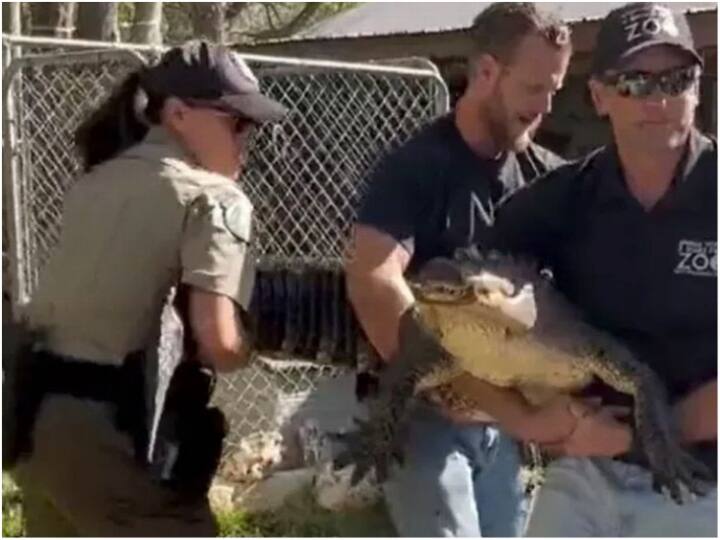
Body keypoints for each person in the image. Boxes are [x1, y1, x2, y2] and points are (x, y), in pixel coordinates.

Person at [6, 40, 287, 536]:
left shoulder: (95, 182)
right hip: (110, 435)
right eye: (236, 122)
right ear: (178, 114)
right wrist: (262, 344)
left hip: (31, 420)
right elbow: (219, 342)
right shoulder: (215, 198)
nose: (247, 137)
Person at [345, 3, 578, 536]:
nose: (544, 106)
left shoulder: (543, 178)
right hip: (427, 415)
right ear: (487, 72)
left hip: (506, 426)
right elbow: (373, 280)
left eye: (554, 90)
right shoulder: (417, 166)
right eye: (533, 87)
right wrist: (463, 387)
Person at [489, 3, 717, 536]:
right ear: (599, 96)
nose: (659, 99)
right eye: (635, 81)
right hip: (587, 469)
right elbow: (448, 316)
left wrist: (638, 437)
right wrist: (524, 418)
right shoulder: (559, 202)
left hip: (707, 479)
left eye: (676, 79)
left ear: (698, 87)